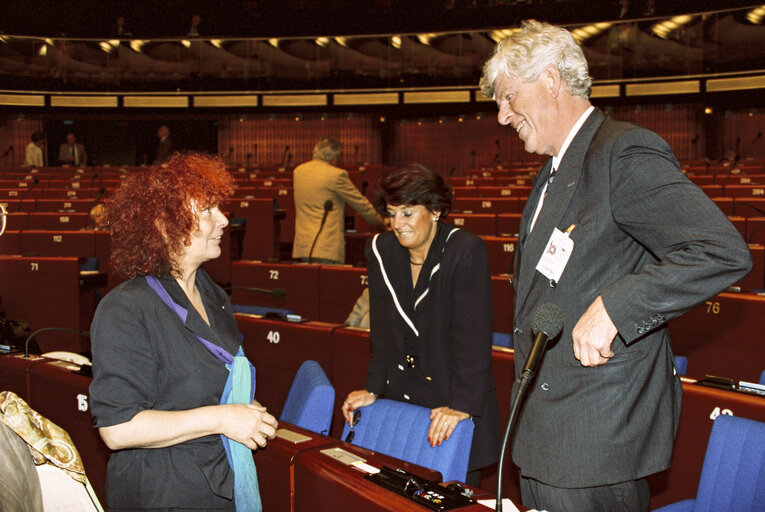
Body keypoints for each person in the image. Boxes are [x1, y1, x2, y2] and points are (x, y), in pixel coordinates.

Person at [479, 20, 752, 512]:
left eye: (508, 97)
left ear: (550, 80)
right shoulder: (551, 172)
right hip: (546, 435)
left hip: (596, 440)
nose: (502, 116)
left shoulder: (622, 152)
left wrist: (616, 307)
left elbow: (720, 249)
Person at [88, 153, 278, 510]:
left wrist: (239, 408)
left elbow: (201, 382)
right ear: (165, 224)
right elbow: (117, 430)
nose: (223, 220)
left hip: (215, 482)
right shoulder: (126, 308)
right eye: (207, 210)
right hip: (163, 491)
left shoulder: (212, 294)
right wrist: (222, 416)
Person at [342, 164, 500, 486]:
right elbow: (382, 332)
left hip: (452, 401)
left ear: (436, 210)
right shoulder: (380, 250)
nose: (396, 225)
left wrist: (462, 407)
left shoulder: (464, 250)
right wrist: (374, 387)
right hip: (403, 398)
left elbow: (473, 336)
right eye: (391, 214)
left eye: (408, 214)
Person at [292, 136, 385, 265]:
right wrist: (382, 225)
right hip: (327, 247)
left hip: (304, 245)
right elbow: (361, 204)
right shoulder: (336, 175)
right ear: (335, 156)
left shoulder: (299, 171)